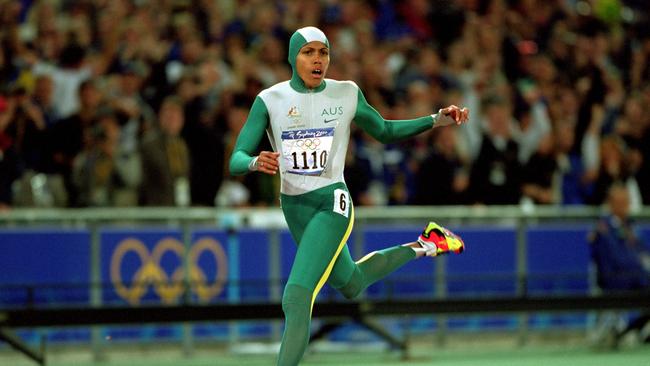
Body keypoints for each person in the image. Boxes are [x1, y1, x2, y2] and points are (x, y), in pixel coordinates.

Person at [228, 26, 469, 366]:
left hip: (332, 202)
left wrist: (435, 121)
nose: (317, 60)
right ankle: (428, 243)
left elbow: (384, 130)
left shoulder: (346, 93)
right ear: (292, 57)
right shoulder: (270, 100)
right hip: (295, 206)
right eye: (308, 52)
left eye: (323, 53)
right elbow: (236, 158)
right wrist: (254, 161)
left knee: (297, 296)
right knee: (352, 283)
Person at [589, 183, 650, 347]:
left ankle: (633, 331)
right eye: (622, 202)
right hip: (615, 280)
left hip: (635, 278)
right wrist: (641, 267)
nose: (627, 206)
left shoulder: (629, 225)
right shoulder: (604, 228)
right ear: (611, 204)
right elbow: (615, 260)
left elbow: (642, 251)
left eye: (627, 202)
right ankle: (629, 332)